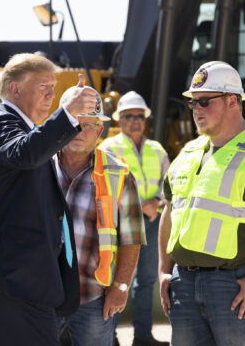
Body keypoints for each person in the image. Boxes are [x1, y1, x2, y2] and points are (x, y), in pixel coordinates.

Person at [0, 52, 99, 346]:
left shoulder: (19, 128)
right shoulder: (1, 124)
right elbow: (27, 153)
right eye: (44, 87)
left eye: (54, 89)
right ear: (15, 89)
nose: (52, 96)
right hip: (11, 281)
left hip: (17, 281)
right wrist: (67, 115)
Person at [159, 61, 245, 346]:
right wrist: (164, 270)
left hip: (235, 287)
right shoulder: (189, 151)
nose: (196, 109)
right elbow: (169, 211)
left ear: (232, 101)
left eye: (204, 102)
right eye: (193, 103)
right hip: (182, 284)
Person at [56, 86, 146, 346]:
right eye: (74, 123)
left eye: (88, 125)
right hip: (43, 295)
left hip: (93, 297)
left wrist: (120, 287)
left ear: (99, 131)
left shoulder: (118, 174)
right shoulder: (39, 167)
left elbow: (132, 238)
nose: (79, 132)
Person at [99, 91, 170, 346]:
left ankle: (142, 336)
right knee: (117, 280)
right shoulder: (108, 148)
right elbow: (103, 187)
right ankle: (111, 337)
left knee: (147, 280)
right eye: (129, 116)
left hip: (151, 223)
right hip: (121, 225)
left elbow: (169, 183)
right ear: (120, 118)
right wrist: (139, 207)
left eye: (140, 116)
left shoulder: (156, 149)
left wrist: (157, 203)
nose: (135, 121)